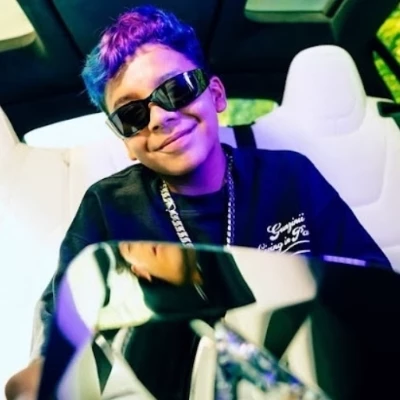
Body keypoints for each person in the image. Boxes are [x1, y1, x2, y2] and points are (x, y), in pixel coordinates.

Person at [5, 4, 392, 400]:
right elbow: (62, 314)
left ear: (217, 95)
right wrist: (46, 370)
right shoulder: (107, 206)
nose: (159, 118)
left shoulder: (290, 176)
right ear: (126, 143)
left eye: (176, 89)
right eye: (131, 114)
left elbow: (372, 287)